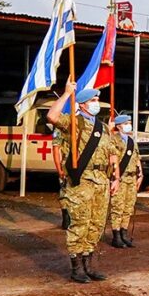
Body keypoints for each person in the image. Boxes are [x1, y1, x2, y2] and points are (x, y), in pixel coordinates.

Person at [47, 84, 119, 284]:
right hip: (82, 180)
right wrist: (67, 94)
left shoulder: (103, 128)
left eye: (97, 100)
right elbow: (52, 116)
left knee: (96, 224)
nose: (97, 103)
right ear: (83, 104)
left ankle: (88, 264)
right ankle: (76, 267)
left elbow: (112, 154)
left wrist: (116, 178)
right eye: (93, 100)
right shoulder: (74, 122)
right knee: (80, 222)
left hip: (102, 180)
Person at [109, 114, 142, 248]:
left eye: (129, 122)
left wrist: (140, 174)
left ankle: (124, 233)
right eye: (126, 123)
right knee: (118, 207)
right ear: (118, 126)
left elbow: (137, 158)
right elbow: (113, 160)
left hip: (132, 177)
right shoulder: (114, 140)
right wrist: (114, 178)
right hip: (120, 178)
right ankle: (116, 235)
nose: (129, 125)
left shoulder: (131, 141)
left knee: (128, 207)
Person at [51, 127, 71, 230]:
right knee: (65, 191)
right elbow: (56, 150)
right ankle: (66, 219)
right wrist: (59, 169)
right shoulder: (60, 130)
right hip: (67, 165)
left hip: (79, 164)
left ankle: (71, 219)